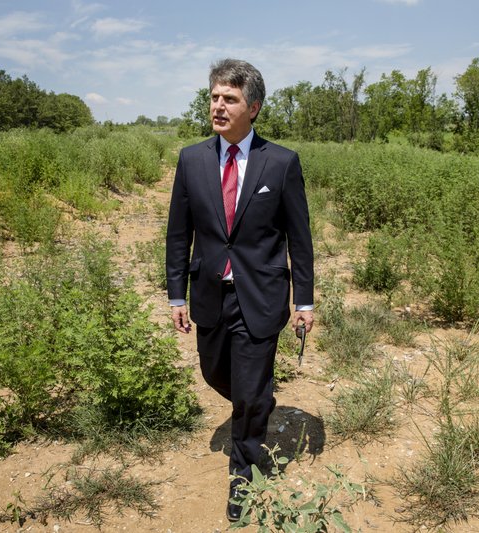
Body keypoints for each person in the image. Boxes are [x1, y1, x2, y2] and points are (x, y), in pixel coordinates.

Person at [165, 58, 314, 522]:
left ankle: (243, 475)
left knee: (248, 392)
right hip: (210, 292)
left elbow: (299, 237)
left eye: (228, 98)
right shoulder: (192, 159)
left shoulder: (282, 162)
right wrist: (175, 294)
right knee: (214, 374)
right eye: (213, 97)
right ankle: (256, 401)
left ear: (253, 107)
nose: (218, 106)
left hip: (262, 293)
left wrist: (304, 300)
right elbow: (178, 232)